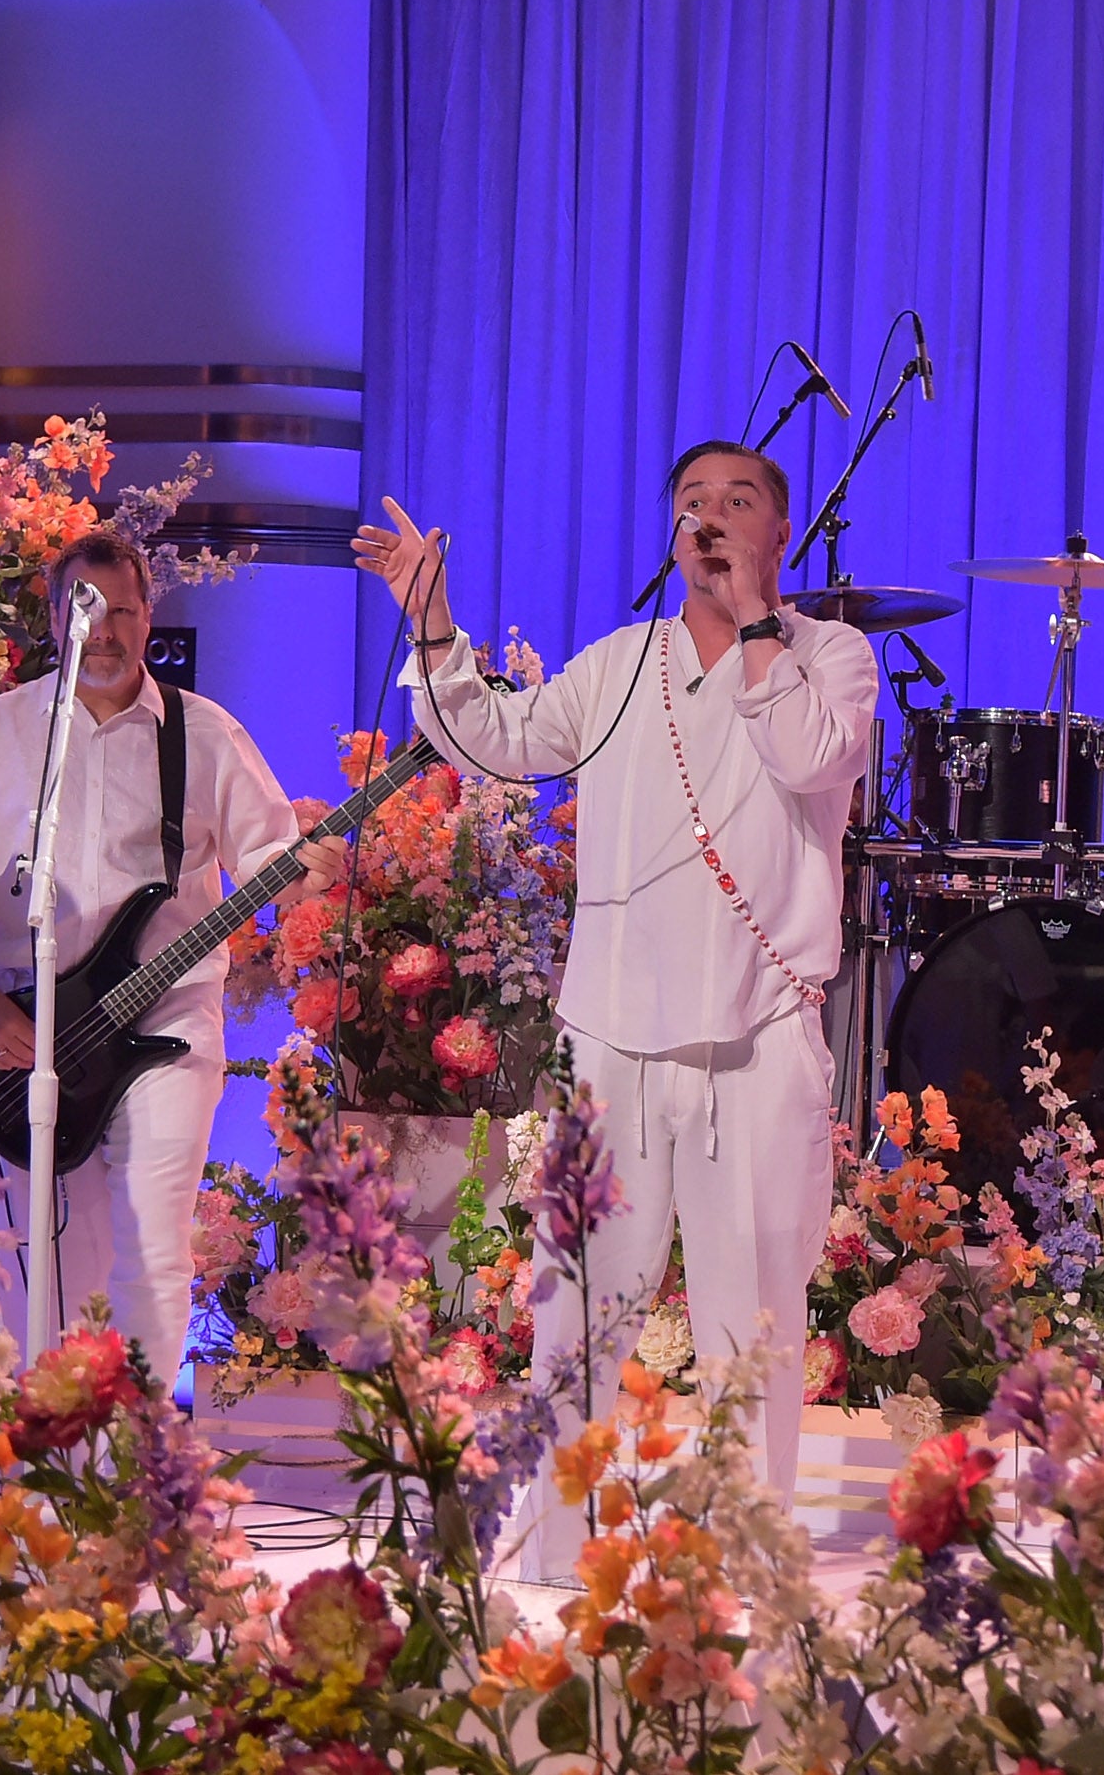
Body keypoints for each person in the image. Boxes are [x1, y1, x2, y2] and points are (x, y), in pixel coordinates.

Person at [351, 442, 876, 1577]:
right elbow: (498, 741)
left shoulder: (830, 654)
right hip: (614, 1030)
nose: (711, 518)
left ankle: (744, 1555)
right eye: (693, 502)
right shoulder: (623, 660)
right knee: (579, 1305)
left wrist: (756, 621)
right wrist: (433, 625)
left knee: (753, 1316)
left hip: (759, 1028)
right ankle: (557, 1547)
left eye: (738, 501)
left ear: (781, 533)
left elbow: (810, 758)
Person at [0, 529, 335, 1388]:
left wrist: (308, 871)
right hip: (34, 1024)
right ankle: (68, 1440)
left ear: (149, 615)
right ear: (54, 615)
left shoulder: (205, 734)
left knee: (154, 1239)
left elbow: (274, 867)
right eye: (86, 611)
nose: (103, 633)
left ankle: (144, 1447)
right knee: (59, 1261)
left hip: (171, 1017)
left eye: (122, 613)